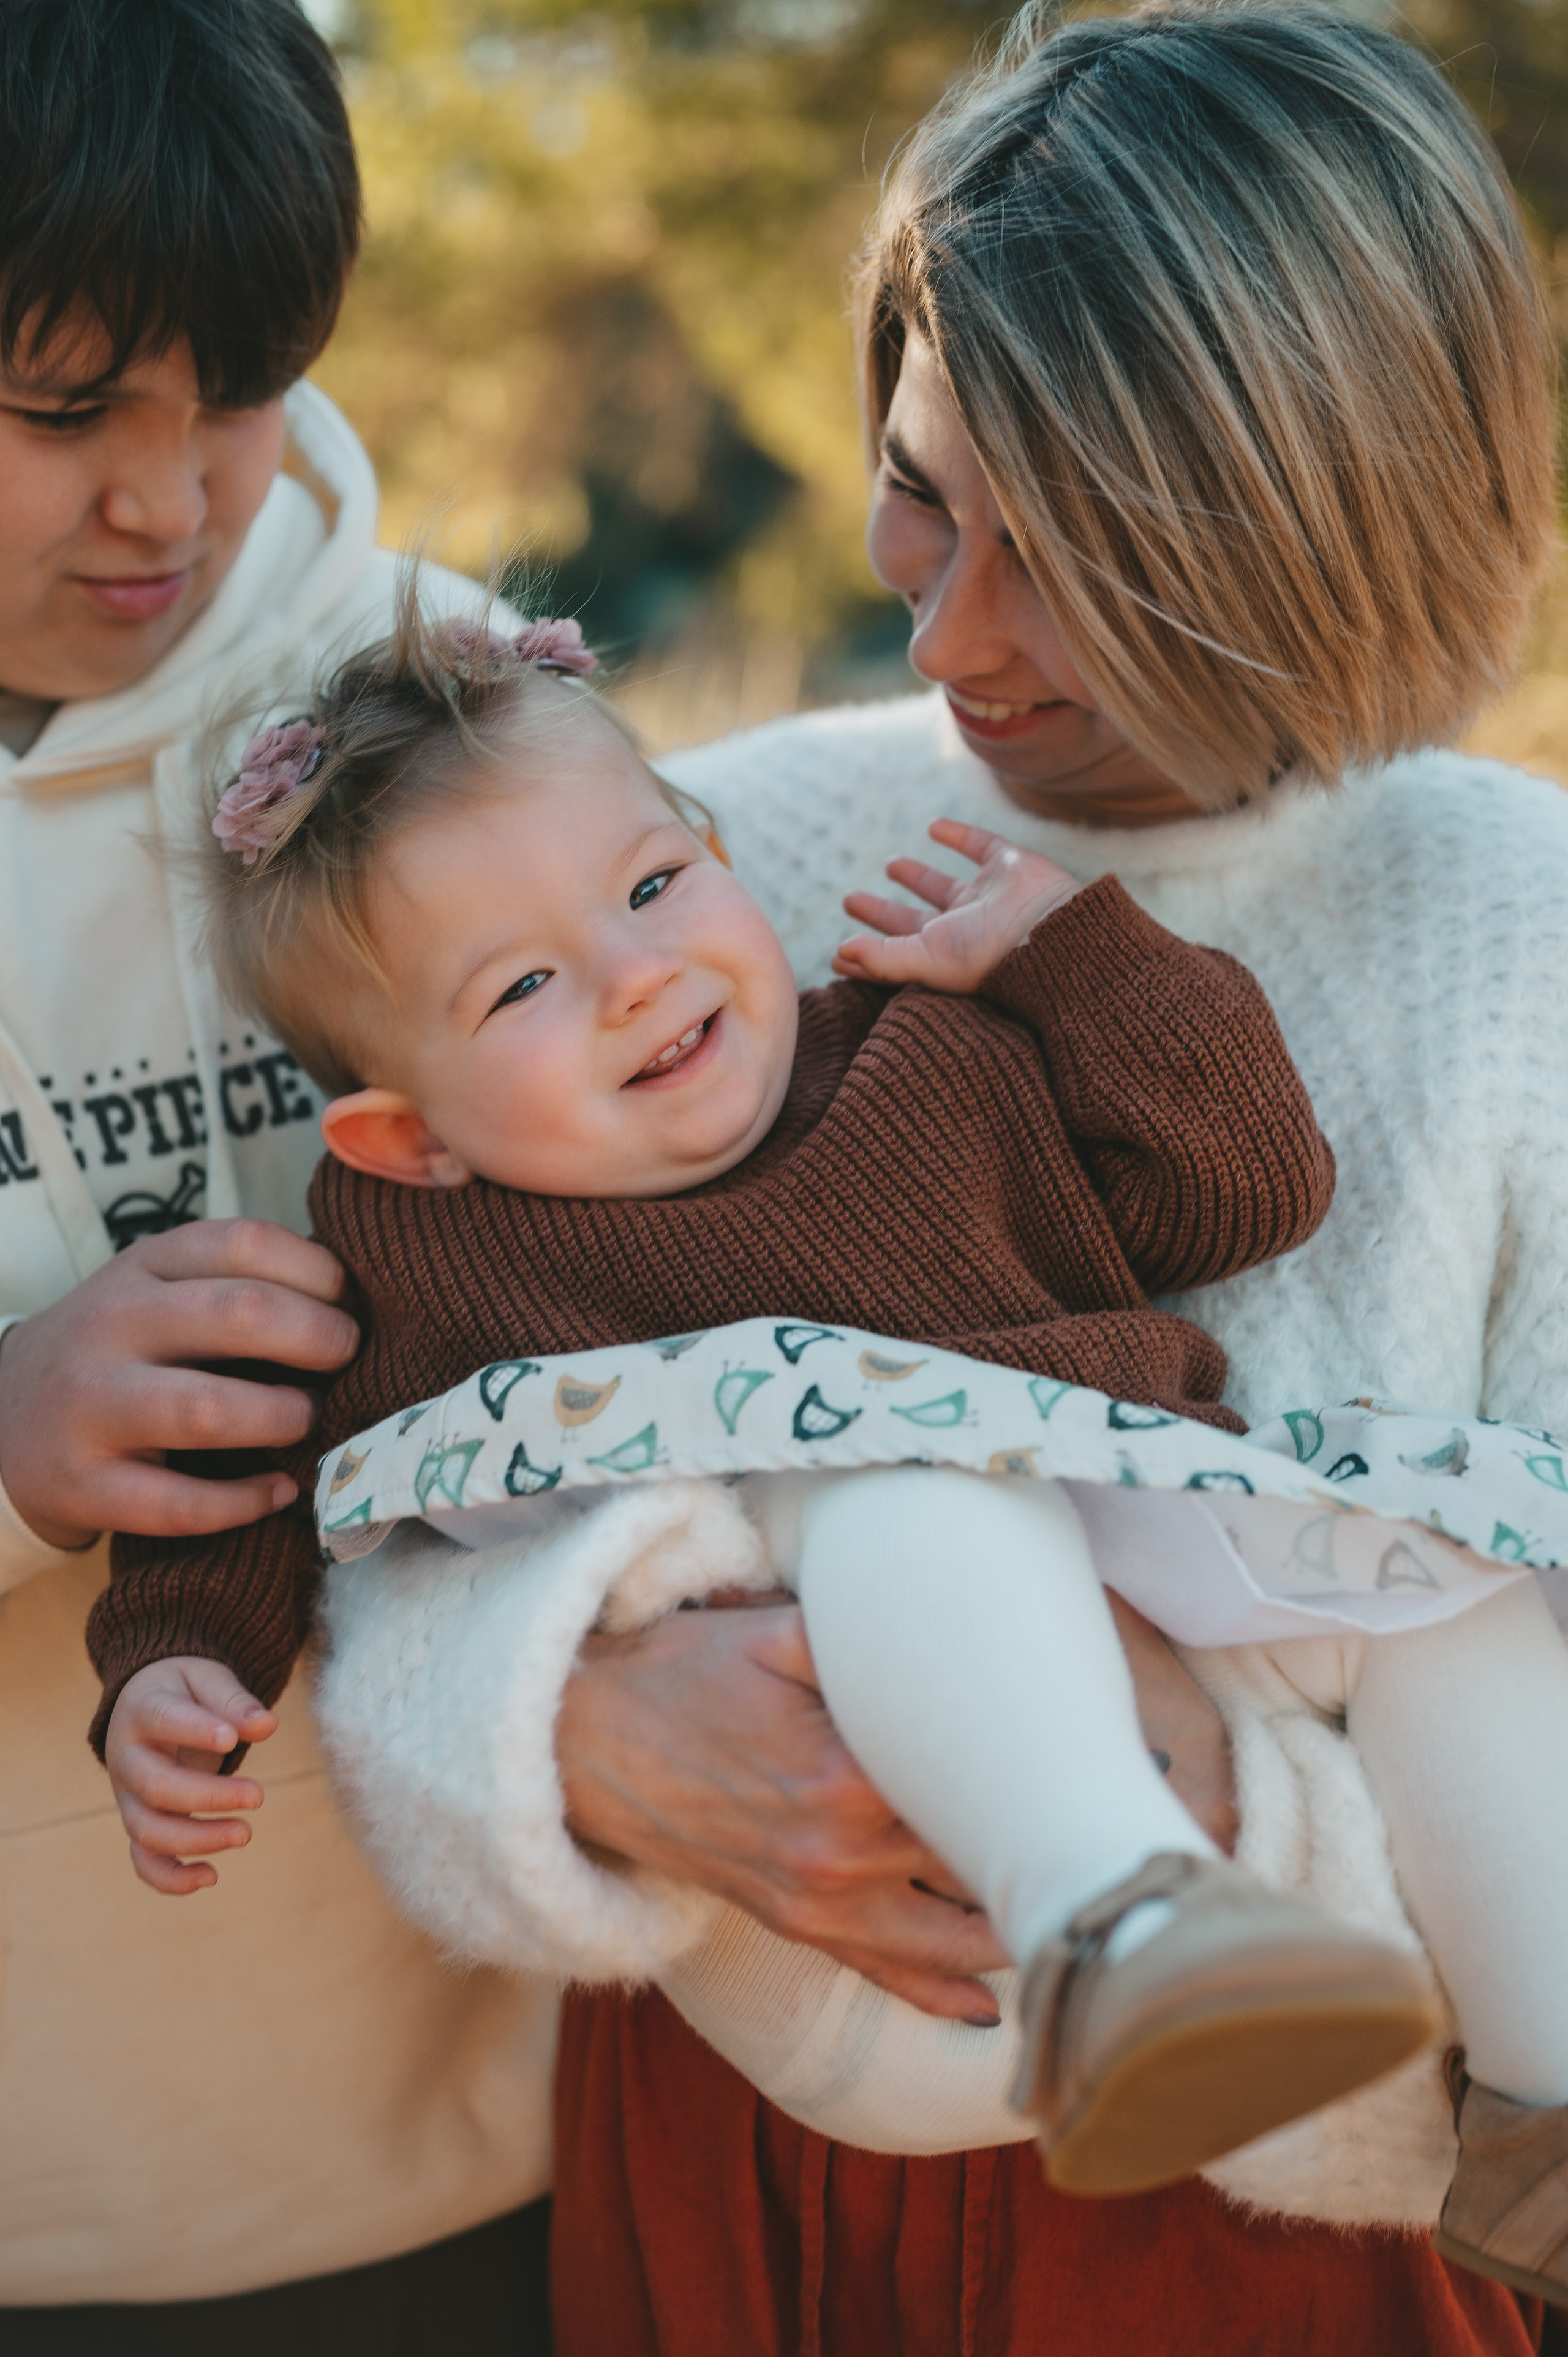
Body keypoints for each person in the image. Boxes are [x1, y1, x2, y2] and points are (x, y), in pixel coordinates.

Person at [273, 5, 1568, 2351]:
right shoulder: (692, 879)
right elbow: (417, 1474)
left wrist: (1189, 1805)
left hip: (1310, 2253)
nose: (945, 627)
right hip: (736, 2151)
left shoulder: (1527, 940)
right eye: (922, 484)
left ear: (1323, 533)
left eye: (1077, 564)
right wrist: (571, 1724)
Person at [94, 599, 1504, 2206]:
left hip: (1155, 1622)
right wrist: (176, 1658)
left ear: (716, 849)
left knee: (1465, 1588)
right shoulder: (427, 1252)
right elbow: (260, 1465)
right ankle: (1114, 1926)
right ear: (409, 1138)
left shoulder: (926, 1060)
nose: (635, 976)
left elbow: (1244, 1189)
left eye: (651, 885)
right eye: (523, 987)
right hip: (882, 1925)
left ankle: (1543, 2105)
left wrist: (1073, 958)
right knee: (906, 1482)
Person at [0, 2, 560, 2344]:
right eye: (58, 412)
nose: (166, 498)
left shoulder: (433, 707)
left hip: (499, 2124)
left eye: (227, 391)